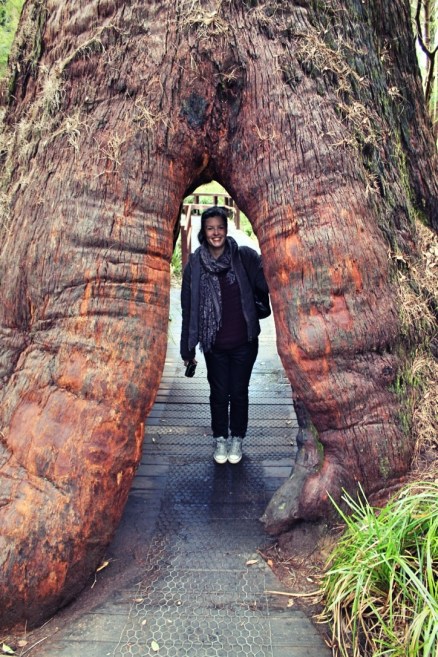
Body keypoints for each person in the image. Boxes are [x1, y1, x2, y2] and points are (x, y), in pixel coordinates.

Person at [180, 205, 270, 465]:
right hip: (214, 344)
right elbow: (189, 308)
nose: (216, 233)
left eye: (220, 227)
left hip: (244, 341)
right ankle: (220, 438)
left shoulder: (244, 257)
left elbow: (266, 282)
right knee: (219, 393)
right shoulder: (195, 265)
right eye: (210, 228)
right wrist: (188, 350)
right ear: (204, 232)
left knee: (239, 391)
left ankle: (237, 438)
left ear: (226, 229)